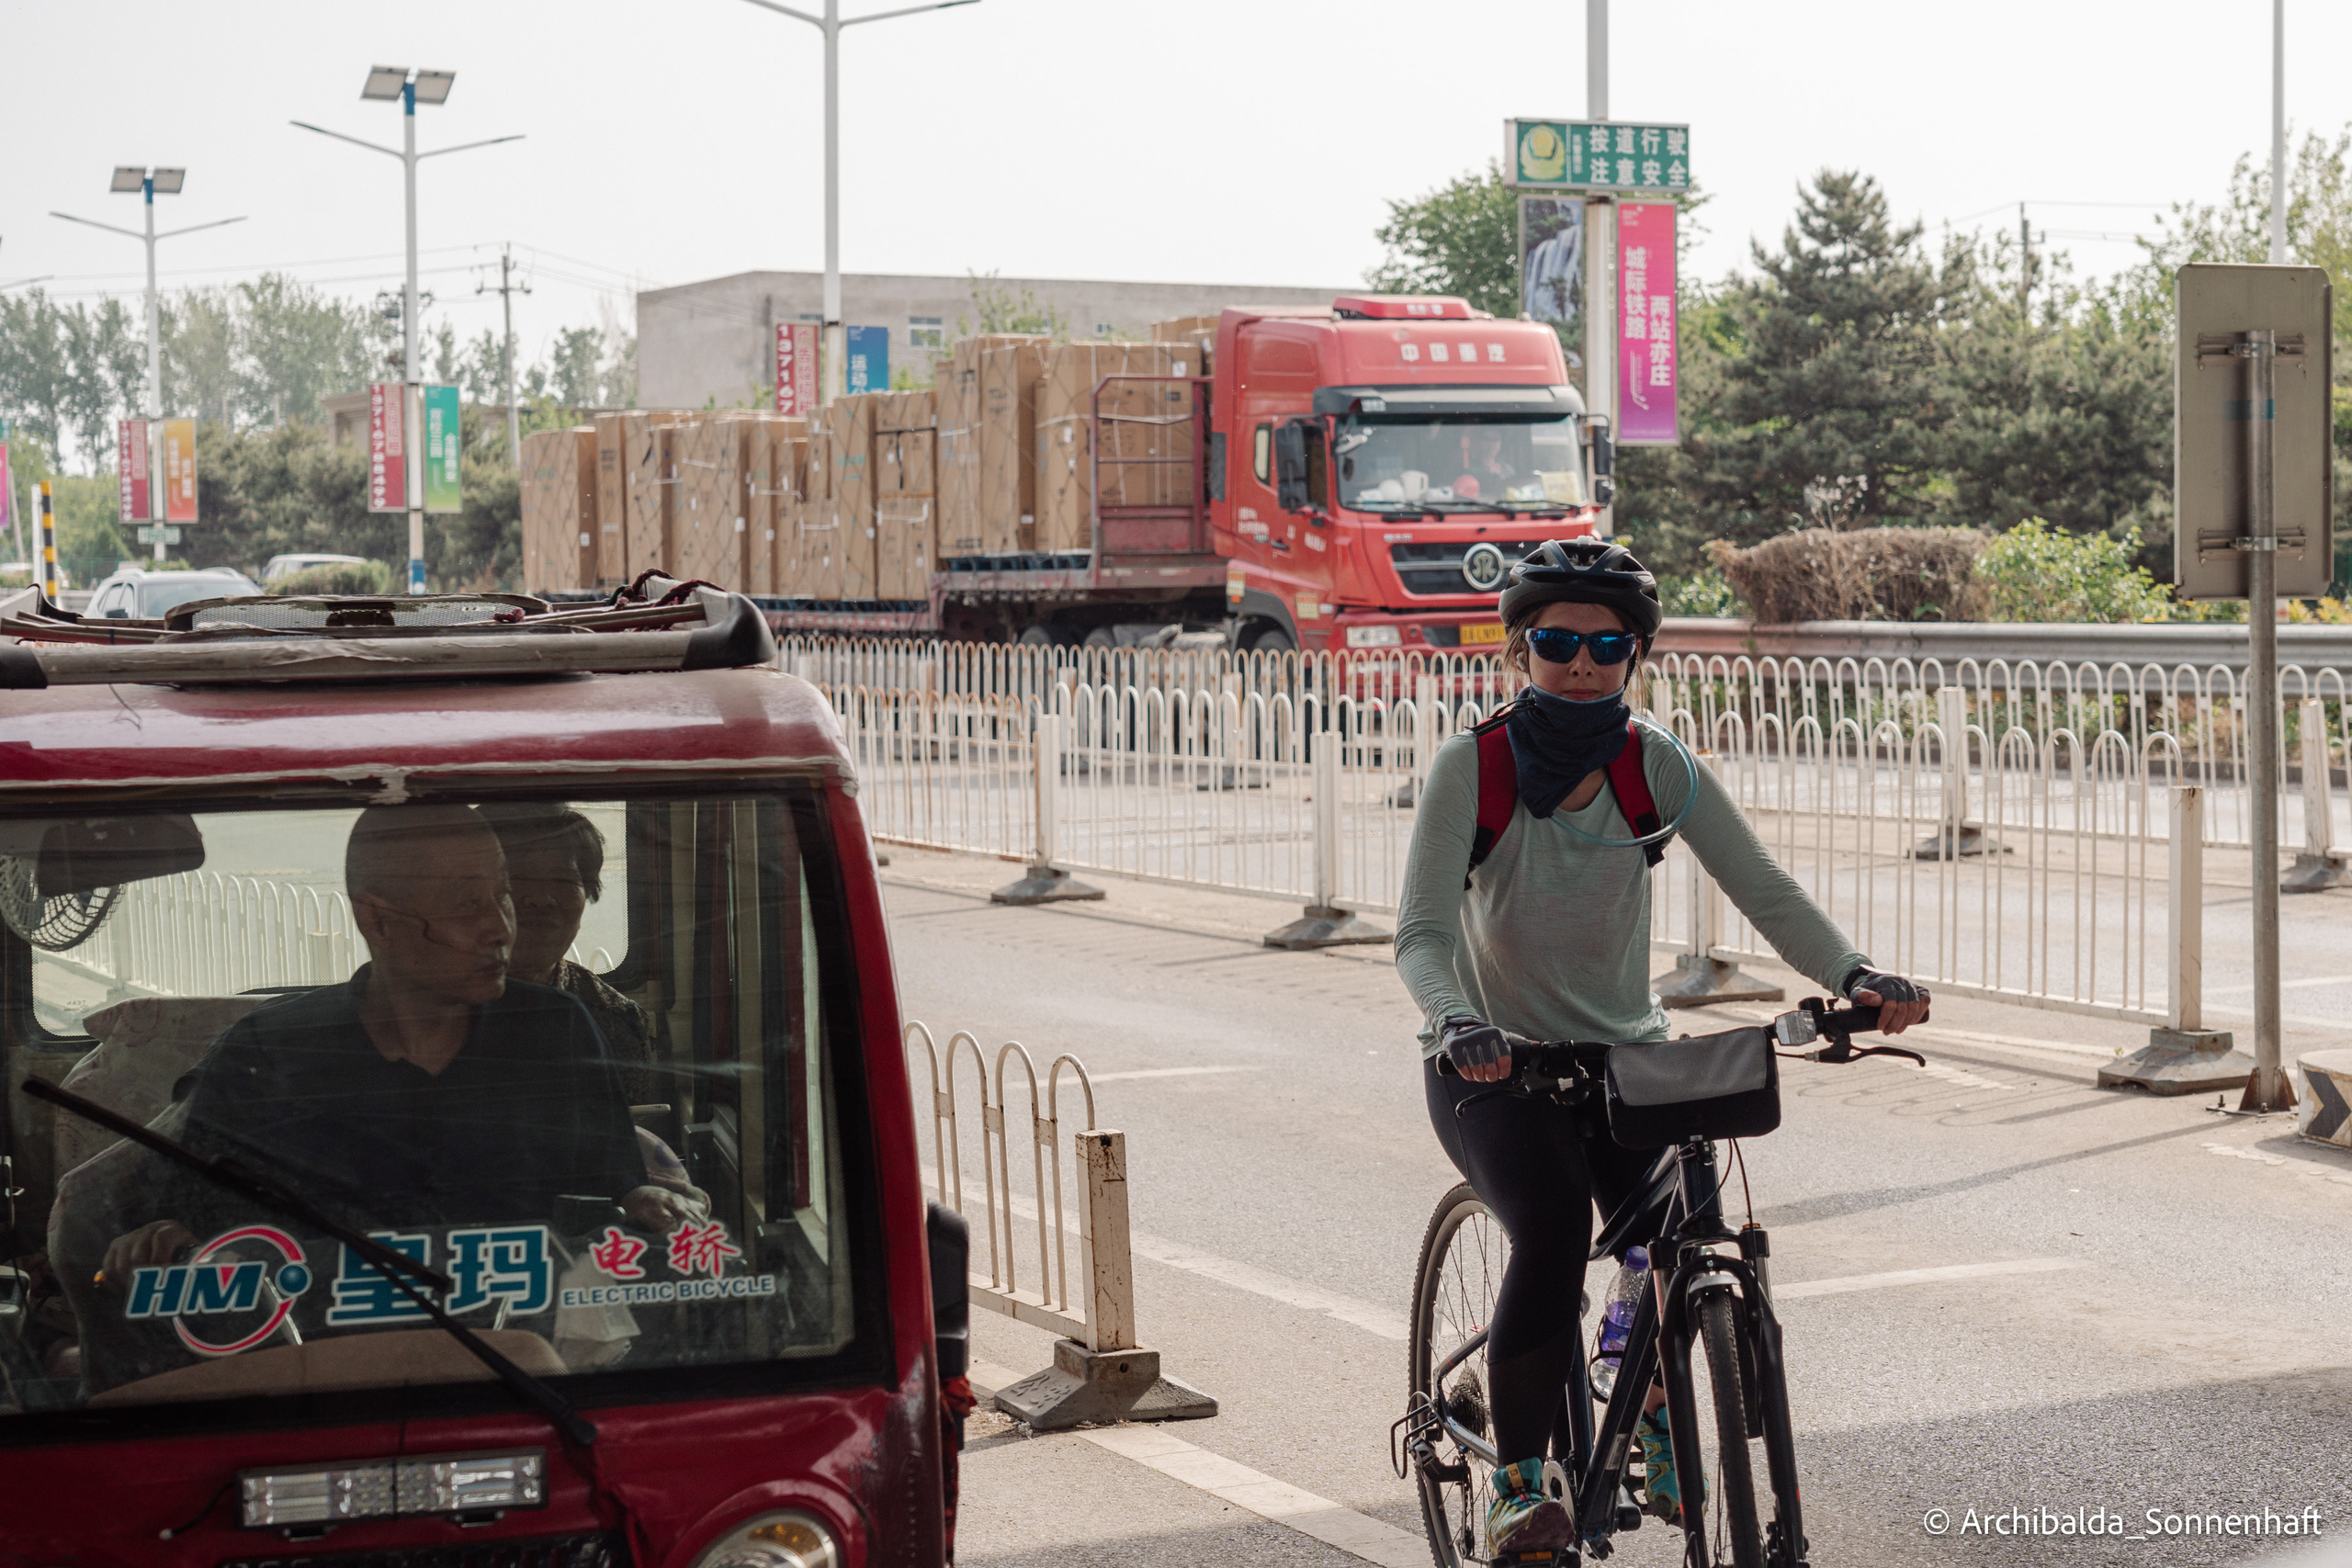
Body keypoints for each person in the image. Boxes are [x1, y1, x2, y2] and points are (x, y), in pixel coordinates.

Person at [1393, 538, 1928, 1551]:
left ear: (1635, 654)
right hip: (1491, 1064)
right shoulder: (1477, 765)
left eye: (1608, 646)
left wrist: (1852, 976)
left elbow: (1760, 886)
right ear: (1519, 651)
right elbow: (1421, 931)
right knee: (1550, 1230)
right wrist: (1458, 1019)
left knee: (1680, 1235)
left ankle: (1640, 1402)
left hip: (1623, 1057)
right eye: (1556, 642)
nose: (1582, 663)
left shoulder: (1654, 763)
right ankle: (1517, 1478)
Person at [99, 805, 701, 1297]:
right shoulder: (267, 1051)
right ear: (376, 919)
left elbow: (609, 1192)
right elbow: (185, 1222)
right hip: (318, 1355)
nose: (502, 926)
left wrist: (641, 1196)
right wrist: (157, 1238)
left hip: (518, 1346)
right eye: (470, 902)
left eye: (502, 897)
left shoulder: (556, 1030)